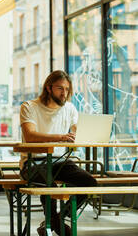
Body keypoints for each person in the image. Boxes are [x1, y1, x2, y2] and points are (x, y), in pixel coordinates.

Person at [20, 70, 97, 236]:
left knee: (90, 182)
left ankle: (55, 220)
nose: (65, 93)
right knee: (50, 186)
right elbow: (30, 136)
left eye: (67, 89)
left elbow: (78, 131)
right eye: (60, 89)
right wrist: (61, 137)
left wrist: (89, 134)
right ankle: (56, 225)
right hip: (33, 163)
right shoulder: (29, 106)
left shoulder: (69, 108)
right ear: (48, 88)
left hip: (60, 161)